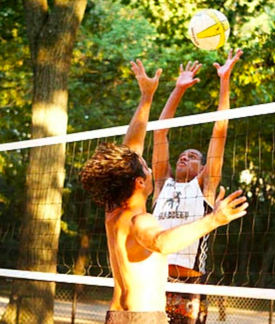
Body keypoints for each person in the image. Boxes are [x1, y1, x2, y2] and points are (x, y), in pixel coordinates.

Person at [80, 59, 249, 324]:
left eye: (192, 156)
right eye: (146, 168)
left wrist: (147, 96)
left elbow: (132, 149)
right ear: (138, 182)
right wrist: (216, 219)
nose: (148, 167)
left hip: (121, 313)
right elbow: (161, 243)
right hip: (144, 317)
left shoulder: (113, 211)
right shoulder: (142, 219)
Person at [152, 48, 243, 324]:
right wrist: (178, 89)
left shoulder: (204, 186)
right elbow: (160, 132)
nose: (183, 156)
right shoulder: (161, 184)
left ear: (203, 169)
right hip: (152, 282)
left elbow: (220, 131)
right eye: (182, 154)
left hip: (187, 286)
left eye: (192, 156)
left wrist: (224, 80)